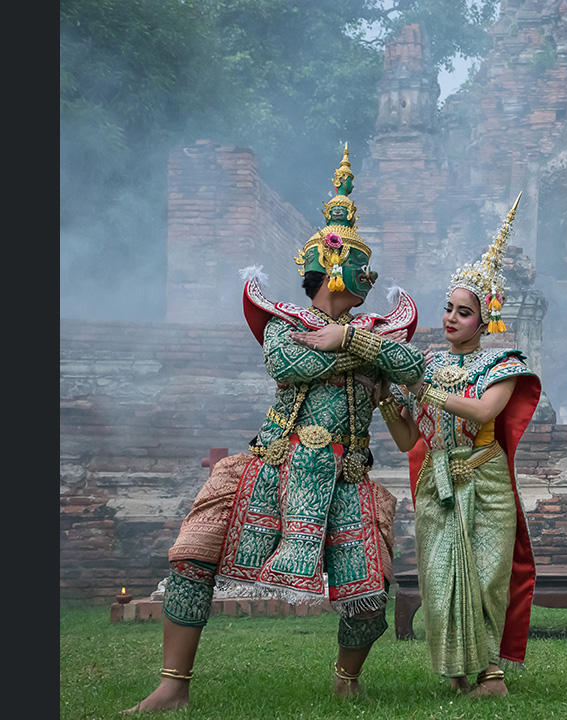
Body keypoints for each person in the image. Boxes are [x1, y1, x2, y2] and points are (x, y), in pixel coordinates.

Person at [124, 146, 425, 713]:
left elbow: (414, 369)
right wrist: (360, 356)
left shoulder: (373, 332)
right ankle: (172, 686)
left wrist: (350, 340)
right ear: (333, 266)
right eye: (364, 265)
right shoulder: (287, 325)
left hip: (347, 476)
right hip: (272, 463)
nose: (372, 276)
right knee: (192, 557)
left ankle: (346, 679)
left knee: (368, 600)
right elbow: (288, 366)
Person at [378, 195, 540, 698]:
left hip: (485, 478)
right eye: (448, 308)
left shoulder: (502, 364)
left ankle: (491, 676)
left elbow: (484, 413)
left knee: (487, 578)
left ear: (483, 319)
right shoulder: (424, 363)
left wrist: (424, 391)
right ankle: (456, 672)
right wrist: (388, 402)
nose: (451, 317)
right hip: (438, 481)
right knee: (441, 580)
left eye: (463, 312)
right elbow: (412, 438)